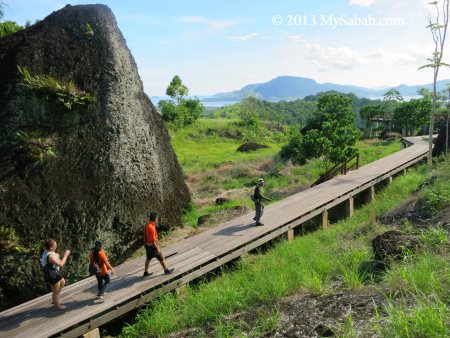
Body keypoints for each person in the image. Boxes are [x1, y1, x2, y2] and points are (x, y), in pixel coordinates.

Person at [40, 239, 70, 310]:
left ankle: (55, 300)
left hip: (54, 272)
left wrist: (56, 256)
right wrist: (65, 255)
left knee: (62, 282)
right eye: (55, 245)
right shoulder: (50, 256)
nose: (56, 246)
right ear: (51, 247)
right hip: (51, 274)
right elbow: (61, 264)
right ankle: (57, 305)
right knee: (55, 291)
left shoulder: (47, 251)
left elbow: (55, 258)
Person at [143, 212, 174, 277]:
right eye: (157, 218)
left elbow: (145, 236)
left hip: (148, 246)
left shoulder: (147, 225)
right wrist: (158, 249)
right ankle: (166, 270)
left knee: (148, 259)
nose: (157, 220)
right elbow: (153, 240)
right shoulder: (152, 227)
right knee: (161, 257)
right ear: (155, 219)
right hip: (152, 246)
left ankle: (145, 272)